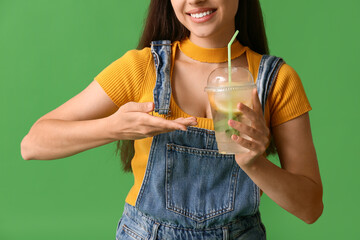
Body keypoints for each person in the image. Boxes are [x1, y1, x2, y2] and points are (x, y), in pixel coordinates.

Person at [21, 0, 323, 239]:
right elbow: (33, 144)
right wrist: (113, 127)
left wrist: (254, 163)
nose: (195, 0)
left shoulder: (276, 81)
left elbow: (310, 208)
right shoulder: (141, 69)